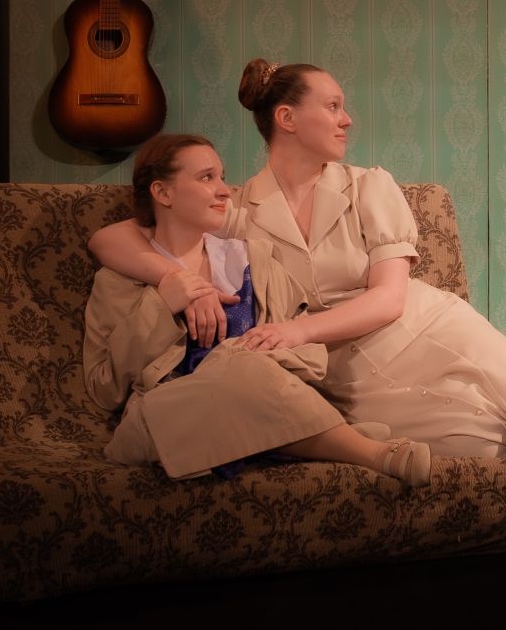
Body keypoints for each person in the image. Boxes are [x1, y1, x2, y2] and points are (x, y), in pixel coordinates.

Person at [88, 62, 506, 605]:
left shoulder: (369, 187)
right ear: (286, 119)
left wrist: (292, 330)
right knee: (476, 442)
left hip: (418, 324)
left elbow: (387, 299)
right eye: (333, 105)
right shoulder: (241, 206)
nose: (347, 118)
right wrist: (176, 279)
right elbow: (111, 237)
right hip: (336, 369)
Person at [83, 132, 430, 486]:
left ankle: (296, 431)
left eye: (221, 177)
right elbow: (104, 388)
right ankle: (370, 453)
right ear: (162, 192)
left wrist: (248, 358)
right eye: (206, 178)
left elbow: (309, 356)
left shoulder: (253, 261)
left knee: (245, 365)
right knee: (242, 366)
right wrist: (161, 306)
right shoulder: (118, 280)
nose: (224, 190)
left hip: (261, 405)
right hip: (168, 418)